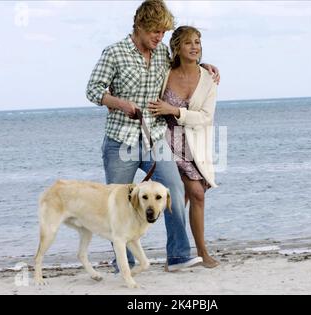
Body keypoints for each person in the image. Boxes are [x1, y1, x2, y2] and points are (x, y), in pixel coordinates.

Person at [86, 0, 219, 272]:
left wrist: (205, 65)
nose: (159, 37)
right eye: (154, 31)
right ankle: (124, 262)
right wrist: (121, 103)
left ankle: (179, 256)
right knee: (120, 204)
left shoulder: (160, 54)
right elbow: (92, 90)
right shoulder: (114, 53)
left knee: (173, 188)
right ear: (139, 26)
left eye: (162, 32)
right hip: (120, 141)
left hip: (153, 139)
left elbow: (182, 65)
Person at [148, 26, 219, 268]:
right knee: (189, 195)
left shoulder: (208, 79)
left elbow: (206, 117)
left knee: (189, 197)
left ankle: (189, 253)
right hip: (163, 141)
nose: (194, 47)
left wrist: (175, 111)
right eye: (188, 42)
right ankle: (184, 253)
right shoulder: (164, 72)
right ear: (177, 47)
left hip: (192, 146)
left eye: (198, 42)